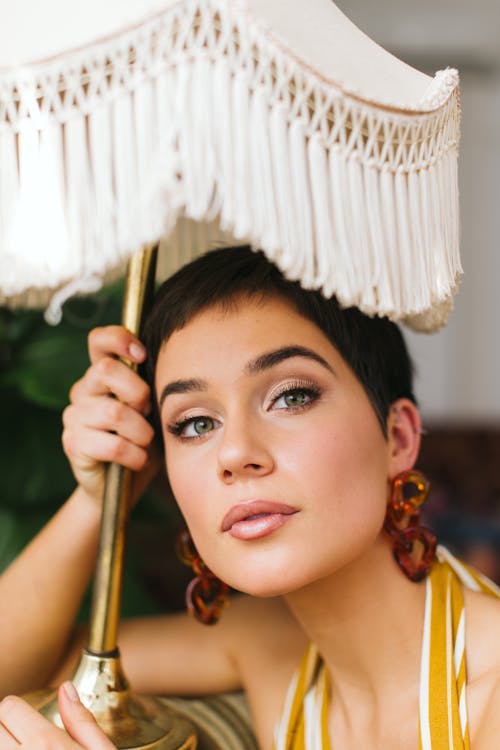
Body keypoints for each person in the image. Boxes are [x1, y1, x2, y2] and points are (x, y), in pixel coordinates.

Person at [1, 246, 499, 749]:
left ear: (398, 439)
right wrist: (102, 494)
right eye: (195, 424)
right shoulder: (267, 643)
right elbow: (22, 676)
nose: (235, 453)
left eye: (291, 396)